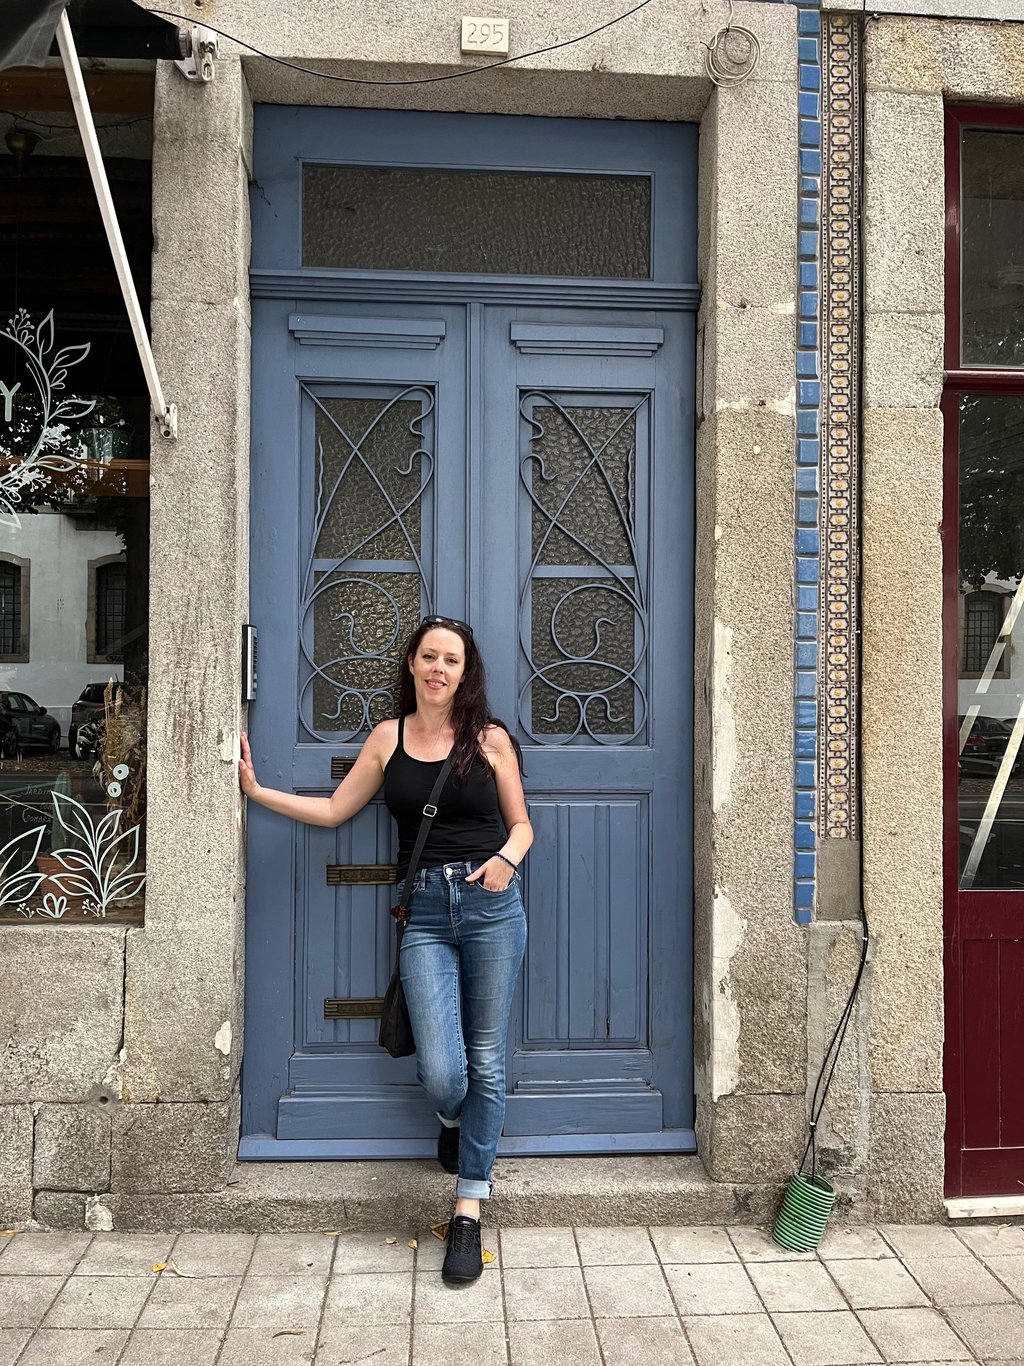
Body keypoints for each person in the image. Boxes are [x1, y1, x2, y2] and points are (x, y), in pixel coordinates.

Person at [238, 615, 533, 1285]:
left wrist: (507, 861)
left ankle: (467, 1212)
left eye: (451, 660)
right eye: (429, 656)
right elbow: (337, 810)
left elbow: (521, 825)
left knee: (487, 1057)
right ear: (411, 665)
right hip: (424, 912)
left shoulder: (488, 741)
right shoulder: (387, 738)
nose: (439, 669)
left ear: (465, 672)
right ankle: (455, 1119)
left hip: (491, 906)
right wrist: (258, 793)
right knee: (444, 1073)